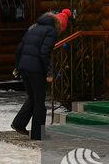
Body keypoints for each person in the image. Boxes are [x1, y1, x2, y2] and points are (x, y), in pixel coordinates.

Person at [11, 9, 70, 140]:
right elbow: (45, 53)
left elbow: (20, 48)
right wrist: (49, 72)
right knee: (39, 101)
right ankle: (38, 134)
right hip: (35, 69)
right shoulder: (51, 31)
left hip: (24, 66)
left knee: (33, 97)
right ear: (60, 25)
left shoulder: (34, 27)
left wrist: (18, 66)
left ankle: (19, 124)